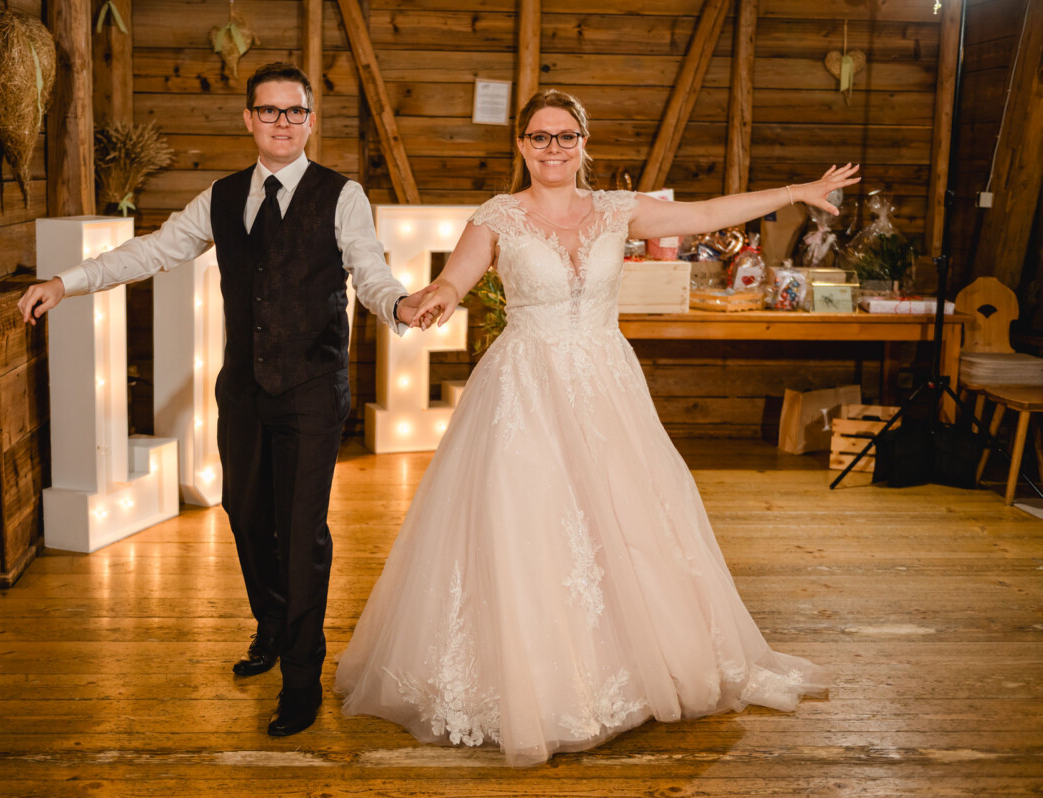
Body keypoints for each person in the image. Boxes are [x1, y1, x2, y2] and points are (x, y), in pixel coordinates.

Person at [334, 89, 861, 766]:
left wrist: (798, 191)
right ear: (522, 145)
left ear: (584, 143)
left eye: (565, 136)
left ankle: (639, 665)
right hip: (525, 390)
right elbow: (455, 280)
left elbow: (707, 213)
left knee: (627, 520)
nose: (552, 148)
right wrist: (435, 296)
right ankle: (542, 681)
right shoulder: (498, 216)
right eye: (539, 136)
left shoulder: (618, 208)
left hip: (607, 386)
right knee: (533, 525)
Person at [18, 62, 432, 738]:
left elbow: (371, 271)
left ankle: (301, 677)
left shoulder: (342, 195)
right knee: (244, 513)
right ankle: (271, 624)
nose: (282, 122)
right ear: (248, 119)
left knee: (301, 533)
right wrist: (68, 282)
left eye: (294, 111)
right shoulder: (220, 197)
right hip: (243, 391)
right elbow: (152, 251)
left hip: (311, 391)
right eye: (269, 110)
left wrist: (400, 304)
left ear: (310, 121)